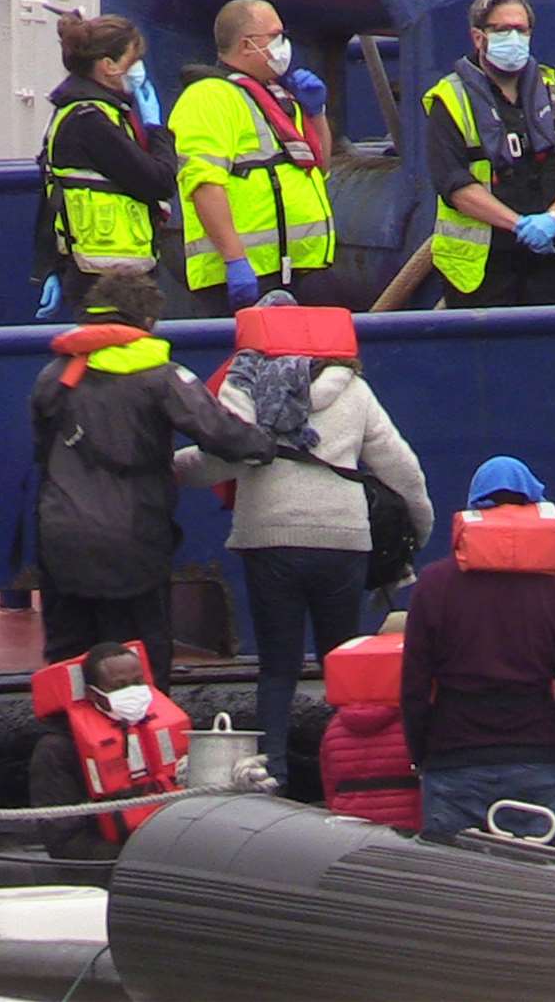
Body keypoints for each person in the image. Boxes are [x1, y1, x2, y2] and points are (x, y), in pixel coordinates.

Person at [174, 294, 433, 790]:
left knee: (277, 666)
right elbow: (401, 467)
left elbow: (220, 461)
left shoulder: (242, 384)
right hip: (344, 539)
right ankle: (351, 768)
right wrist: (419, 529)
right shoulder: (353, 388)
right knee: (342, 659)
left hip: (269, 539)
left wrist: (169, 470)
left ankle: (272, 770)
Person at [31, 270, 276, 691]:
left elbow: (41, 449)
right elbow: (220, 434)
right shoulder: (162, 377)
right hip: (131, 542)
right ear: (146, 324)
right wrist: (267, 444)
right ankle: (136, 752)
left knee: (67, 663)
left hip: (59, 540)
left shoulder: (54, 376)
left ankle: (64, 749)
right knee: (139, 662)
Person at [401, 457, 555, 846]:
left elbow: (413, 687)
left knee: (454, 893)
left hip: (453, 756)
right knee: (547, 893)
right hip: (537, 756)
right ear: (533, 506)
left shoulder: (435, 584)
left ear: (474, 508)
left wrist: (424, 753)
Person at [422, 0, 555, 307]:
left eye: (521, 29)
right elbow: (454, 183)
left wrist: (553, 218)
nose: (514, 38)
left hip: (549, 266)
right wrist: (517, 225)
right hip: (481, 274)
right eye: (503, 30)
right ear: (479, 38)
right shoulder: (449, 99)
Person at [167, 0, 335, 315]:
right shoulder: (209, 97)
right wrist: (235, 259)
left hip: (300, 268)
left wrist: (316, 114)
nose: (284, 45)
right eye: (276, 36)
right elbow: (204, 184)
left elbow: (318, 164)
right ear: (247, 45)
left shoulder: (277, 95)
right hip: (248, 276)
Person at [32, 12, 177, 320]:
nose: (139, 68)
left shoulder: (90, 112)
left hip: (109, 271)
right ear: (108, 66)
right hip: (106, 279)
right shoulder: (91, 121)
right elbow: (159, 180)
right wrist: (156, 130)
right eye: (133, 58)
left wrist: (54, 266)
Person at [29, 641, 188, 860]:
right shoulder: (56, 750)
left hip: (169, 847)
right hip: (109, 864)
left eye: (138, 682)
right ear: (92, 694)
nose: (132, 693)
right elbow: (63, 841)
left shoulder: (157, 727)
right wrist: (136, 860)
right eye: (119, 687)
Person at [320, 612, 421, 831]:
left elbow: (329, 785)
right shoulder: (416, 720)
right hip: (405, 830)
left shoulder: (336, 725)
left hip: (348, 829)